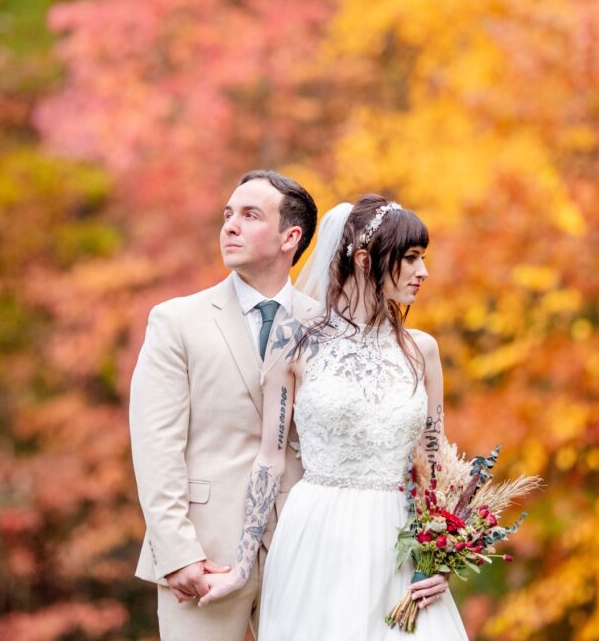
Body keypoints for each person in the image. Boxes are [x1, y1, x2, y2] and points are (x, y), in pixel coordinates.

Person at [198, 195, 469, 639]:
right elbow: (269, 459)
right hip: (317, 536)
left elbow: (435, 464)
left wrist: (442, 562)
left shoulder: (423, 351)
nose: (424, 273)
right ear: (366, 260)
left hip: (398, 544)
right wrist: (241, 567)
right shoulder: (296, 343)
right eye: (412, 259)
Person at [128, 170, 321, 640]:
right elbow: (156, 447)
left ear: (289, 237)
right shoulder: (177, 321)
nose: (230, 226)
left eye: (250, 216)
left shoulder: (327, 327)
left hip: (305, 551)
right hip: (205, 556)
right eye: (227, 215)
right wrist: (178, 553)